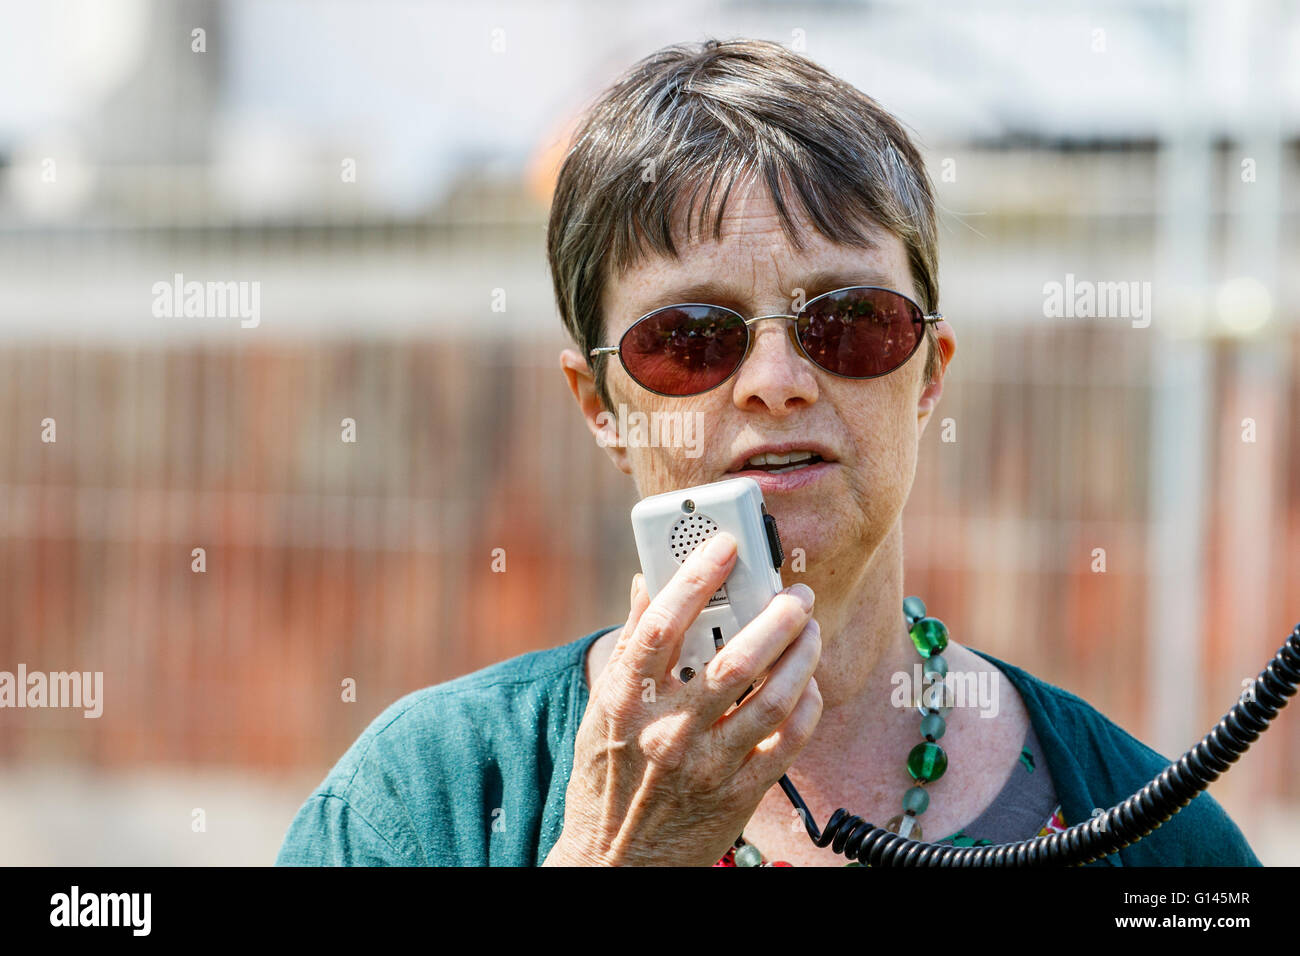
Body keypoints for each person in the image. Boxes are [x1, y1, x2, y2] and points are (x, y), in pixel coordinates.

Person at [275, 38, 1261, 867]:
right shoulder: (420, 801)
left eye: (849, 321)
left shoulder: (1156, 835)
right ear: (600, 406)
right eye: (692, 336)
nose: (775, 378)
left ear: (928, 375)